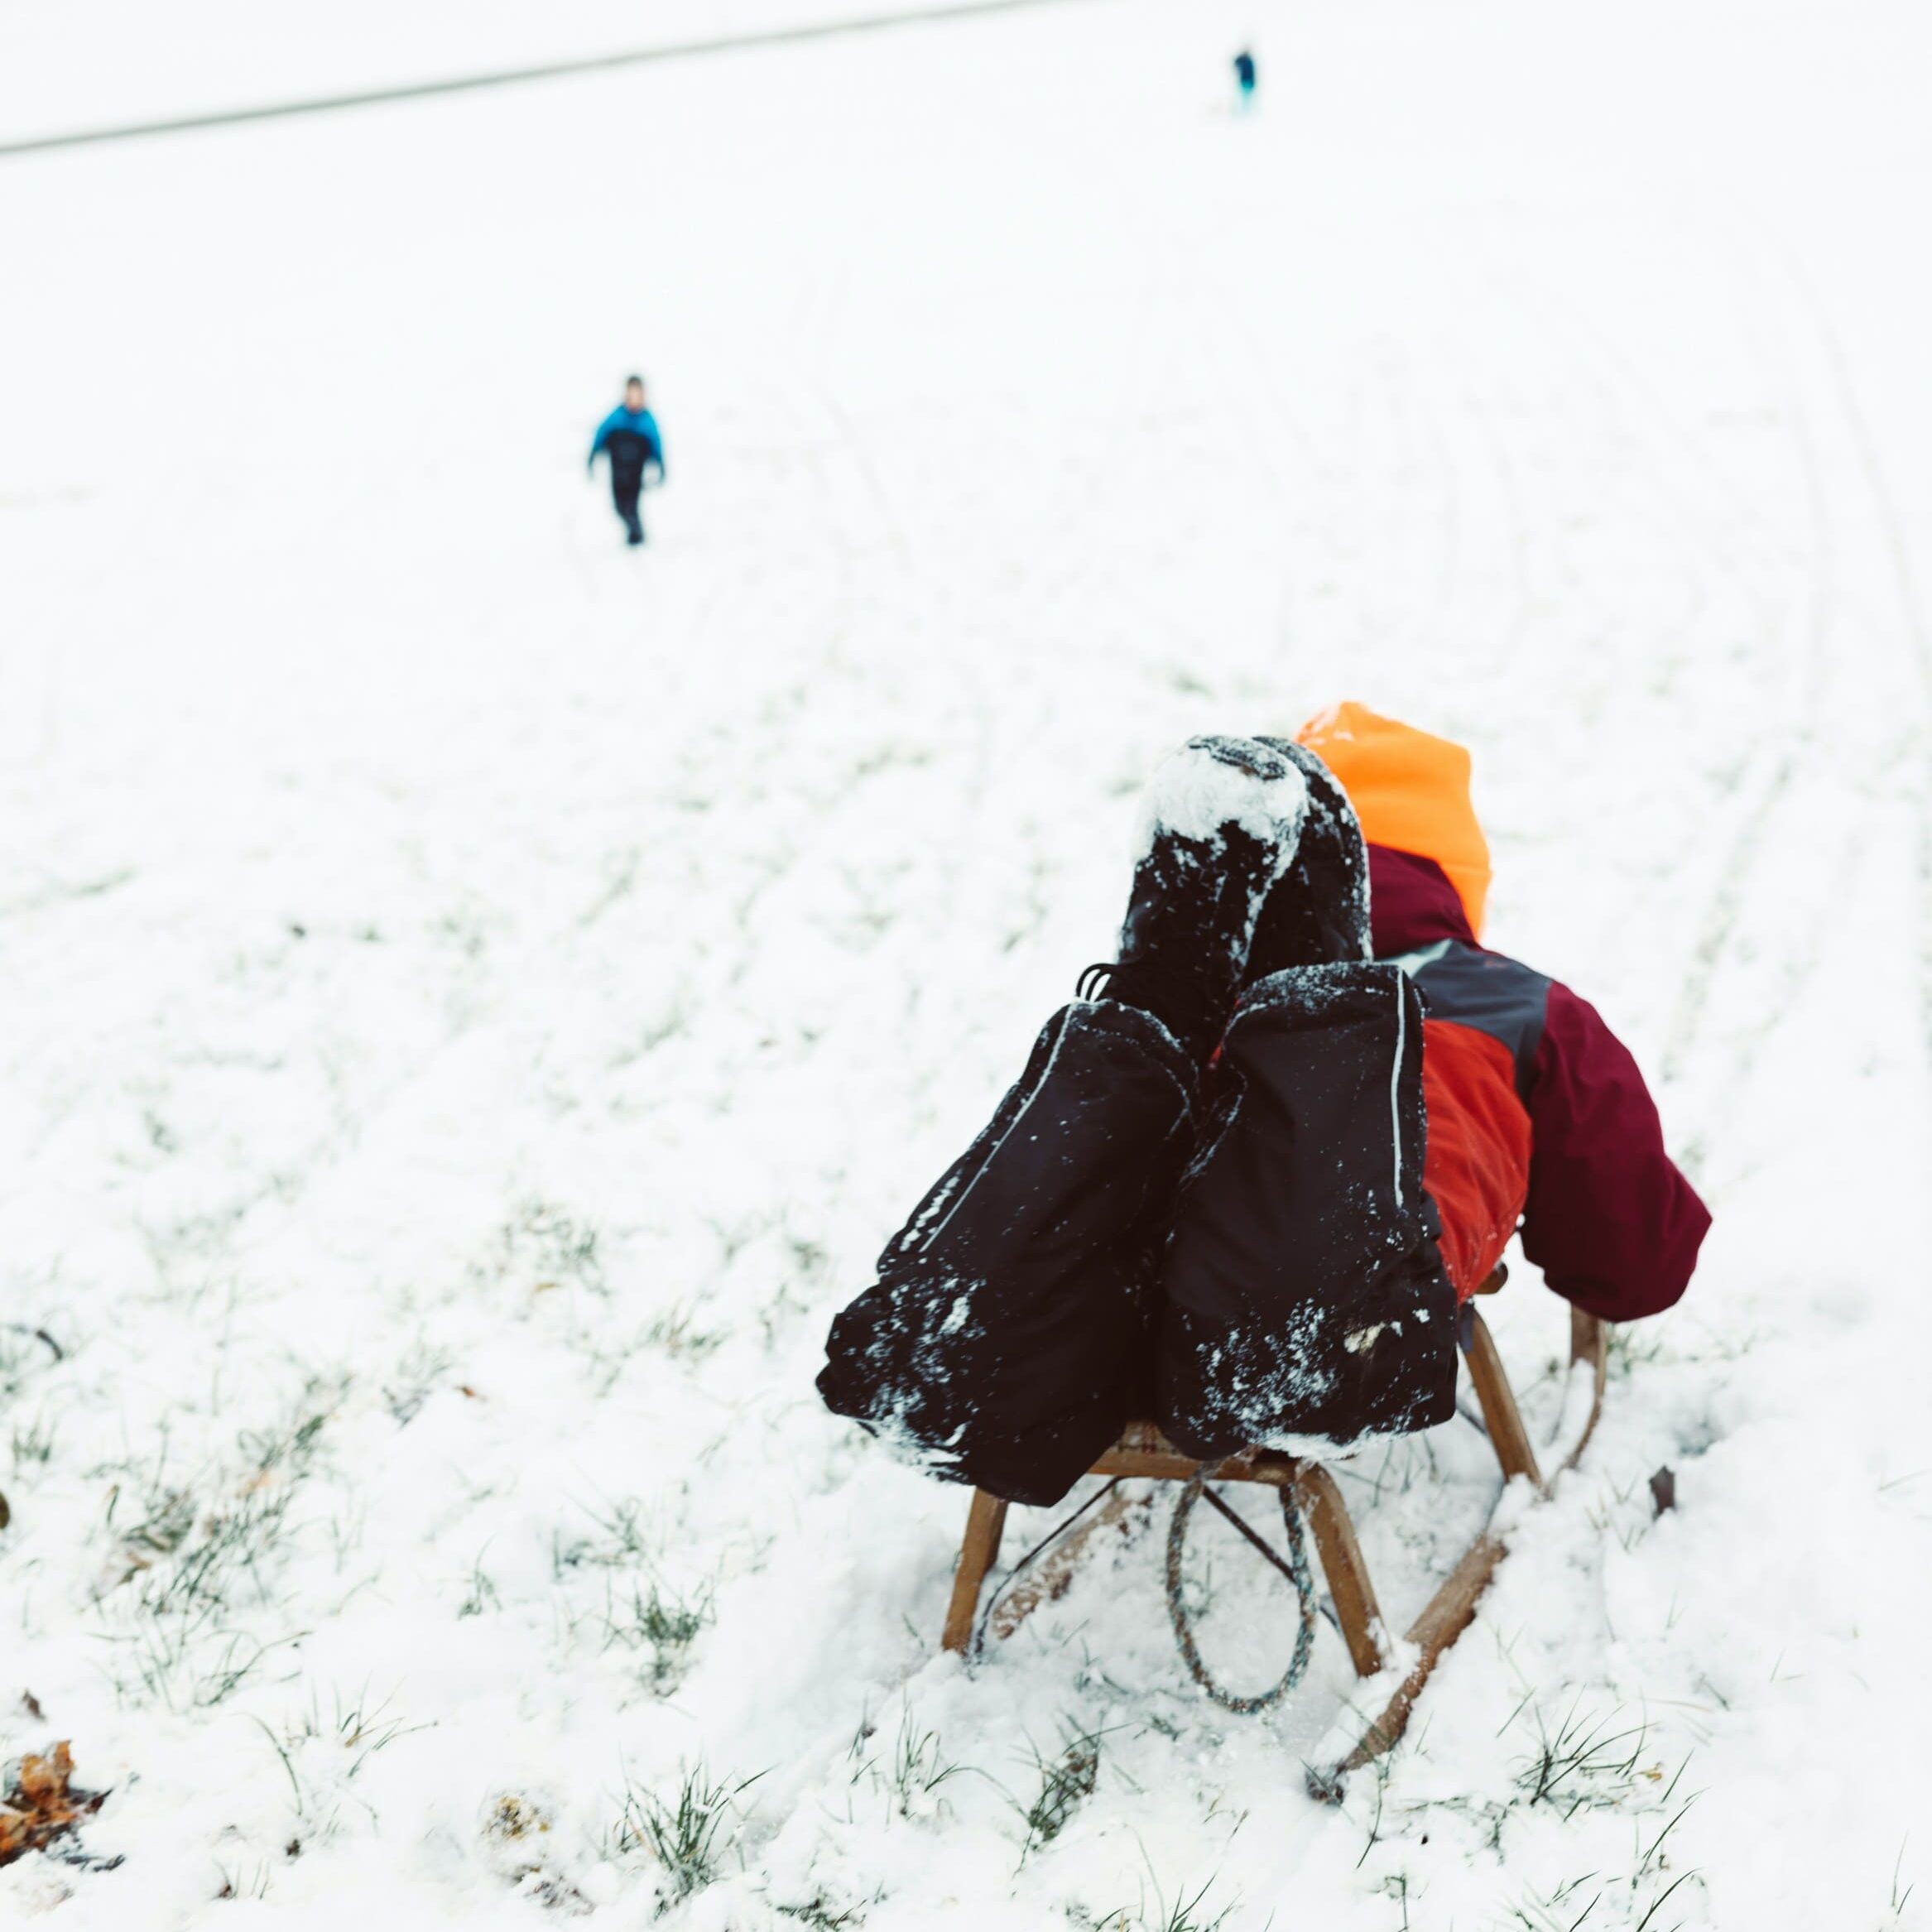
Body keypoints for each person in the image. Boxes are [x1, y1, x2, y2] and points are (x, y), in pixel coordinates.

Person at [819, 706, 1709, 1507]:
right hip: (1339, 1321)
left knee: (1142, 1108)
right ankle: (1240, 1034)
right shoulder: (1525, 1009)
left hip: (1140, 1290)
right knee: (1268, 1136)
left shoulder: (1252, 995)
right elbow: (1636, 1263)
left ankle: (955, 1323)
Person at [588, 376, 666, 546]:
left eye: (638, 393)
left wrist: (661, 465)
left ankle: (636, 533)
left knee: (632, 503)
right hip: (618, 468)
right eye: (632, 393)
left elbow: (657, 444)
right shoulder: (617, 416)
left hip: (635, 470)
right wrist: (592, 455)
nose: (635, 397)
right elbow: (601, 434)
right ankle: (633, 529)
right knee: (618, 504)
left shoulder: (647, 420)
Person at [1233, 48, 1257, 112]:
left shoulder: (1249, 61)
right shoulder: (1243, 60)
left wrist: (1253, 82)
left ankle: (1247, 110)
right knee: (1243, 96)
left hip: (1249, 81)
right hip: (1243, 81)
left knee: (1247, 97)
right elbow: (1236, 62)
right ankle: (1243, 109)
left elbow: (1253, 73)